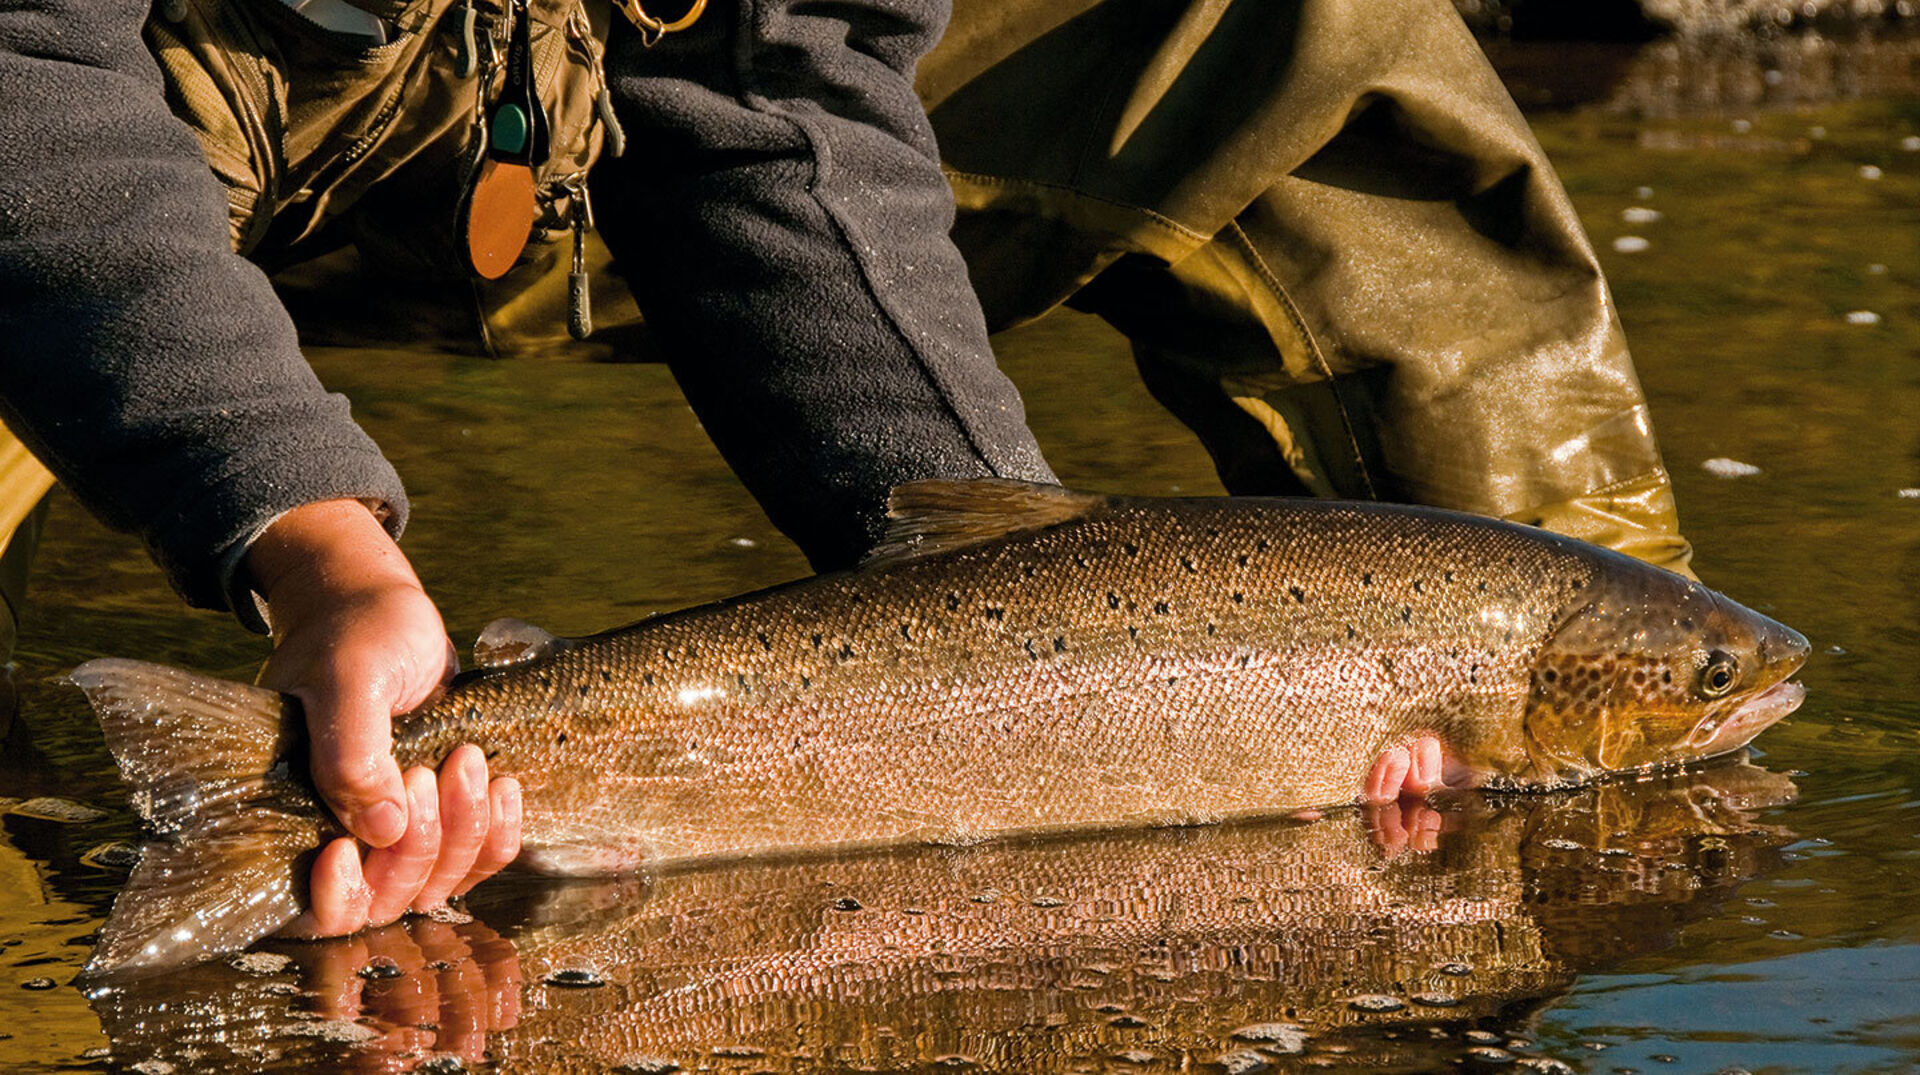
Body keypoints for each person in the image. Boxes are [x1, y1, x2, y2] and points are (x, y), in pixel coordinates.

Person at [0, 0, 1695, 940]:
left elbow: (778, 97)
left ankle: (1586, 781)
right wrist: (312, 542)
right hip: (102, 126)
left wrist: (1026, 602)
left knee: (1313, 23)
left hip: (577, 128)